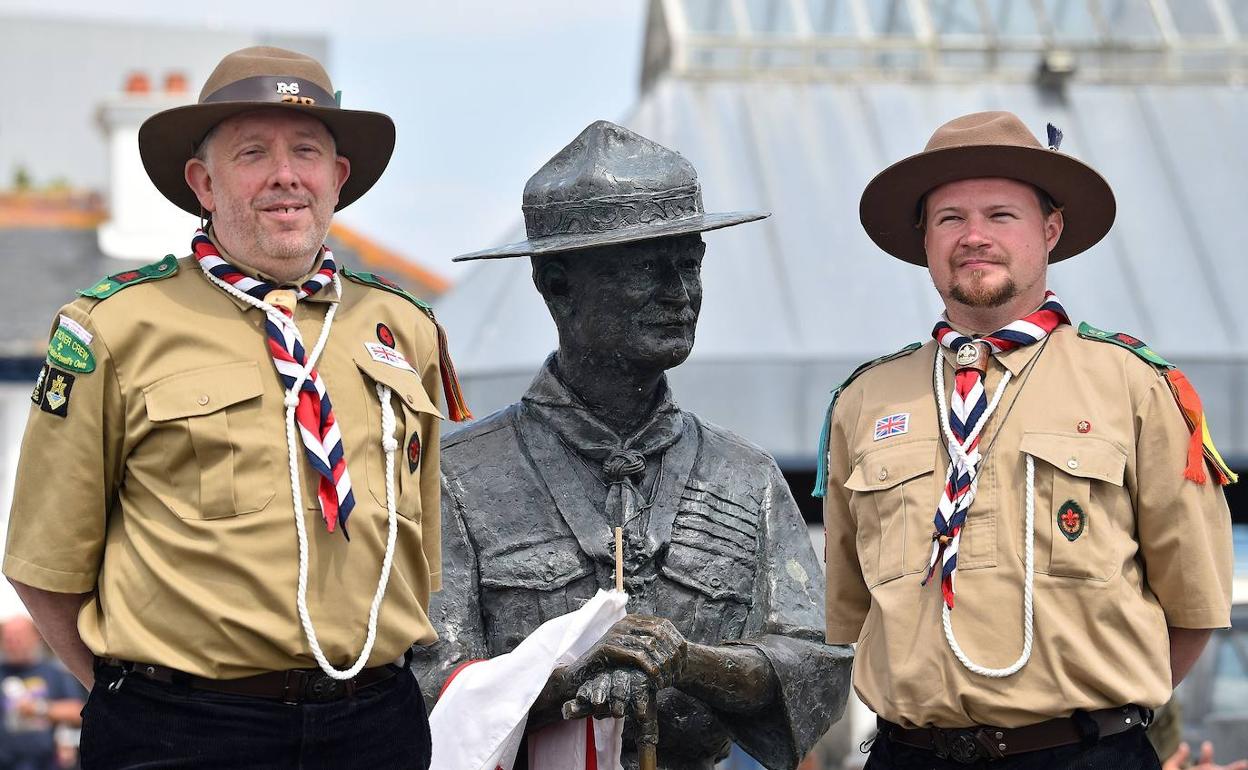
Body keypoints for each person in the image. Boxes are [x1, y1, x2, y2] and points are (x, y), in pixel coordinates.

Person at [3, 46, 468, 768]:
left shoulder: (401, 326)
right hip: (181, 730)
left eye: (307, 152)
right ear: (204, 183)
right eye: (253, 152)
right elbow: (42, 562)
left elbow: (421, 555)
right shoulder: (115, 326)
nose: (286, 175)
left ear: (337, 179)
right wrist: (128, 696)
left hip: (376, 723)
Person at [412, 120, 852, 770]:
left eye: (689, 265)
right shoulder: (459, 477)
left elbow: (813, 664)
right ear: (556, 284)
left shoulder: (746, 477)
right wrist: (561, 683)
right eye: (648, 269)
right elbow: (426, 683)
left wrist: (691, 664)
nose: (679, 294)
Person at [819, 111, 1236, 768]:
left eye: (1001, 215)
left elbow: (1194, 604)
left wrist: (1092, 714)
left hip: (1086, 754)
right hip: (910, 754)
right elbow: (851, 614)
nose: (973, 237)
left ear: (1050, 229)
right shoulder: (863, 403)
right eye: (950, 218)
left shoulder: (1135, 387)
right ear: (924, 237)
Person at [0, 616, 85, 770]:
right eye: (8, 637)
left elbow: (79, 712)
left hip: (46, 763)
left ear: (36, 637)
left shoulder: (55, 673)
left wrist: (39, 709)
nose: (13, 642)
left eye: (19, 636)